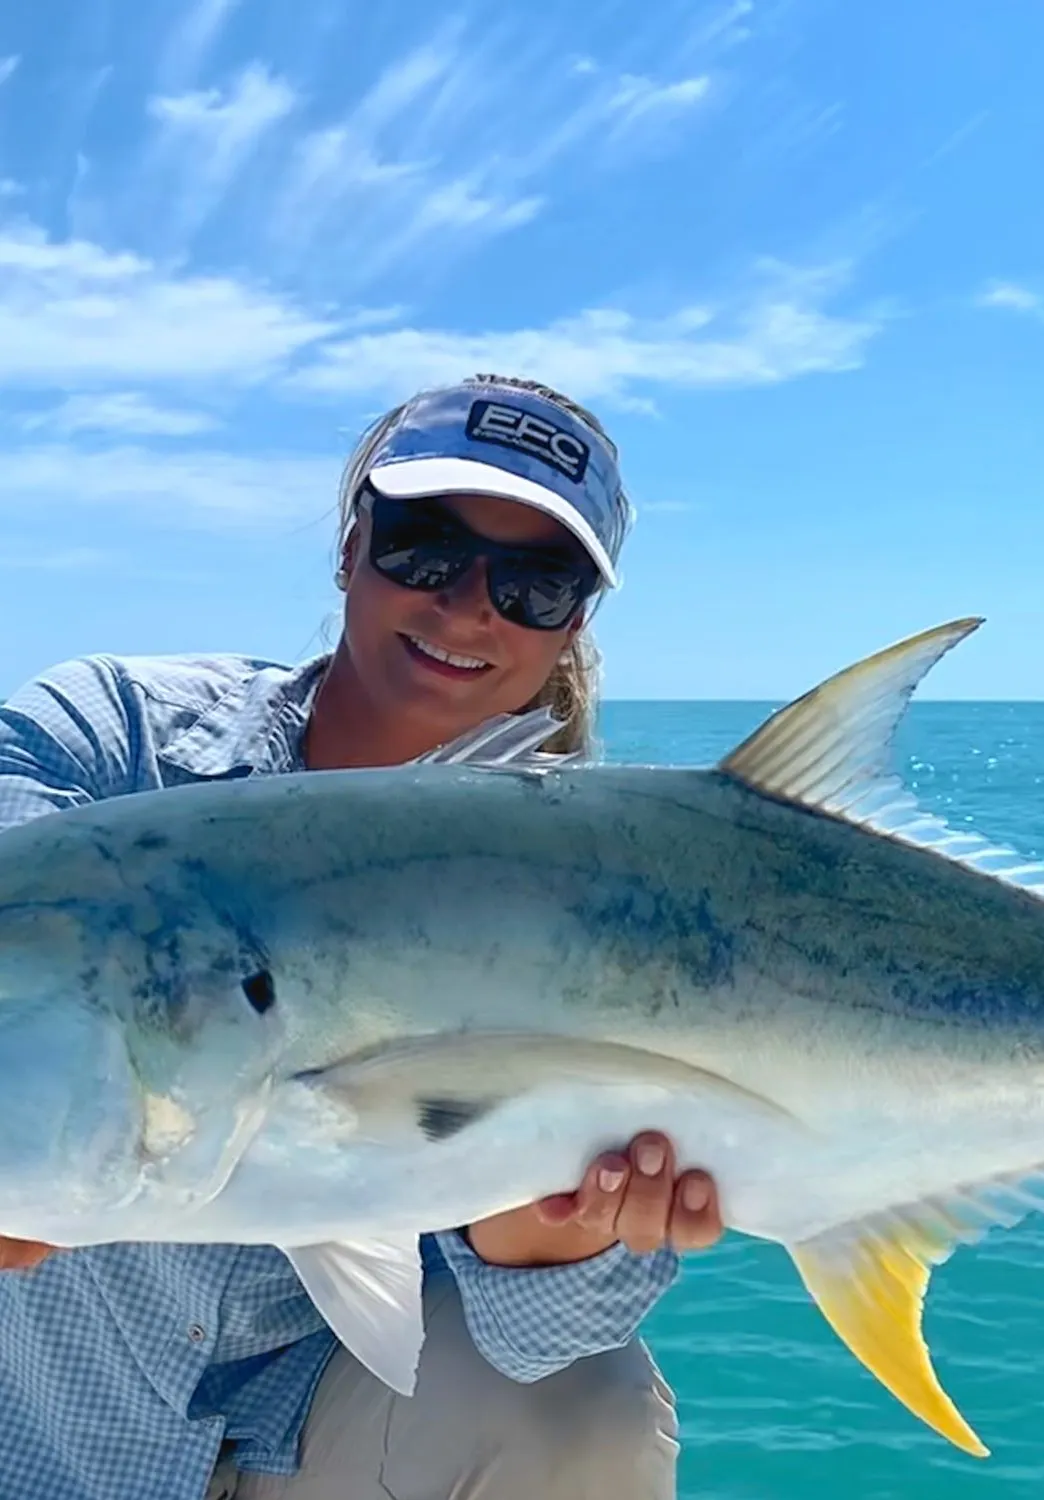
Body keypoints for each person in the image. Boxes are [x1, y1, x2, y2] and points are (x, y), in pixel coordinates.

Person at [0, 374, 725, 1500]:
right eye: (426, 547)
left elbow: (540, 1342)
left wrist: (553, 1226)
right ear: (353, 547)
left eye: (536, 583)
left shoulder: (602, 916)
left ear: (576, 620)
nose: (471, 606)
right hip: (36, 1431)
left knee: (588, 1413)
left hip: (306, 1439)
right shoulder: (111, 741)